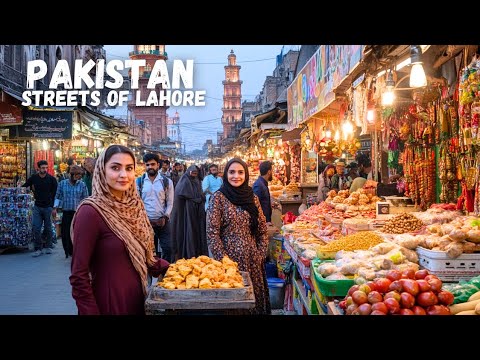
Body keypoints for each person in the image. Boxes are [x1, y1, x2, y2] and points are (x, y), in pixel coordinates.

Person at [69, 145, 169, 315]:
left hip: (137, 300)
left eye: (129, 168)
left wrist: (176, 268)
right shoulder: (91, 212)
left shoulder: (135, 208)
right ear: (102, 170)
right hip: (108, 303)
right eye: (115, 168)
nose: (123, 175)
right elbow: (79, 276)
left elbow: (145, 257)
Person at [206, 158, 271, 315]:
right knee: (234, 306)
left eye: (240, 172)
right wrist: (225, 262)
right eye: (232, 172)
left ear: (246, 174)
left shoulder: (252, 197)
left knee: (253, 304)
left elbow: (262, 230)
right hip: (229, 265)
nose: (236, 176)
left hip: (252, 262)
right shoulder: (218, 198)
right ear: (226, 174)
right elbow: (212, 233)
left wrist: (260, 254)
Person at [136, 153, 174, 262]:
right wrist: (143, 219)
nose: (150, 167)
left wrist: (165, 217)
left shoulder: (166, 182)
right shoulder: (139, 181)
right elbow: (137, 202)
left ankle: (165, 275)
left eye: (152, 164)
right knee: (146, 252)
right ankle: (147, 277)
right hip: (145, 223)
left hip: (162, 222)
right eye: (147, 165)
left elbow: (170, 203)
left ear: (158, 165)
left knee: (168, 249)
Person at [170, 165, 208, 260]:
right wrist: (196, 199)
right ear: (189, 172)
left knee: (196, 233)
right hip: (185, 213)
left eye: (196, 173)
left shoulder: (196, 181)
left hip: (196, 213)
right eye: (193, 173)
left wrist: (200, 199)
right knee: (187, 232)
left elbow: (199, 193)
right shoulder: (184, 181)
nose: (194, 175)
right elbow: (183, 195)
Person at [22, 160, 58, 257]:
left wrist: (53, 207)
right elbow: (24, 186)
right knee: (36, 228)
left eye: (46, 168)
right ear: (38, 168)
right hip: (37, 206)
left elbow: (56, 194)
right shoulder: (34, 178)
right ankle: (38, 248)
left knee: (48, 228)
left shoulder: (52, 179)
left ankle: (48, 246)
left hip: (48, 207)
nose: (45, 170)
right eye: (43, 168)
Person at [52, 165, 88, 258]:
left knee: (76, 233)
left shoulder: (82, 185)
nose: (79, 177)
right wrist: (55, 208)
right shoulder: (62, 184)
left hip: (78, 213)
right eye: (77, 175)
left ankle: (74, 251)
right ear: (71, 175)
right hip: (66, 212)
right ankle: (67, 251)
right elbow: (58, 196)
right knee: (65, 233)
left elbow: (85, 198)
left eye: (80, 175)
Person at [253, 161, 273, 225]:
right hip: (262, 223)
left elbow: (261, 201)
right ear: (269, 172)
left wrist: (269, 204)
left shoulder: (262, 184)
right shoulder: (259, 185)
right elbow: (255, 206)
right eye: (272, 170)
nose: (272, 172)